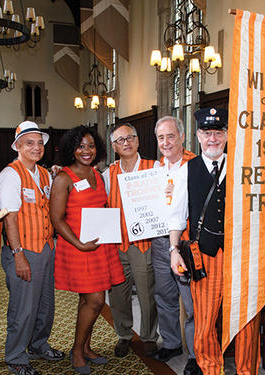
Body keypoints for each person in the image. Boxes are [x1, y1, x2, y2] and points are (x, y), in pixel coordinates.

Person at [168, 107, 260, 375]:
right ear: (197, 136)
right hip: (204, 256)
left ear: (227, 135)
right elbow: (176, 216)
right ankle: (210, 369)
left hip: (240, 256)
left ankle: (246, 371)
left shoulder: (244, 167)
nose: (212, 139)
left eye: (218, 133)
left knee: (245, 319)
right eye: (207, 133)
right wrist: (174, 251)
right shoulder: (187, 170)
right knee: (205, 319)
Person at [50, 125, 125, 374]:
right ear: (72, 148)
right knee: (95, 301)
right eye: (81, 146)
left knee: (87, 301)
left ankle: (86, 346)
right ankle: (77, 351)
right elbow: (57, 219)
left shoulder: (97, 174)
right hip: (78, 247)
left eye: (91, 146)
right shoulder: (63, 178)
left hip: (99, 246)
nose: (86, 150)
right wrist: (80, 243)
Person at [0, 121, 63, 375]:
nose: (36, 147)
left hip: (45, 248)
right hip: (22, 251)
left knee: (45, 304)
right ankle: (15, 356)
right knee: (23, 308)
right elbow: (9, 219)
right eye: (29, 143)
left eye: (39, 143)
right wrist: (18, 255)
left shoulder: (44, 174)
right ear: (18, 147)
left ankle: (37, 344)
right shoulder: (10, 175)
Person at [150, 116, 201, 374]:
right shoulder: (155, 170)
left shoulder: (196, 166)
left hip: (186, 245)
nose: (166, 142)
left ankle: (196, 353)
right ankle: (171, 343)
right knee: (165, 295)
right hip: (159, 242)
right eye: (161, 138)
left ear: (182, 136)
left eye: (171, 136)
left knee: (191, 302)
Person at [103, 123, 159, 357]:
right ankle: (124, 334)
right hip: (117, 244)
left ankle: (148, 336)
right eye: (120, 140)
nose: (126, 143)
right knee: (118, 294)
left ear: (137, 141)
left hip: (143, 243)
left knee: (147, 293)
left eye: (130, 138)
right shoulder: (108, 174)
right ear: (114, 147)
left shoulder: (153, 167)